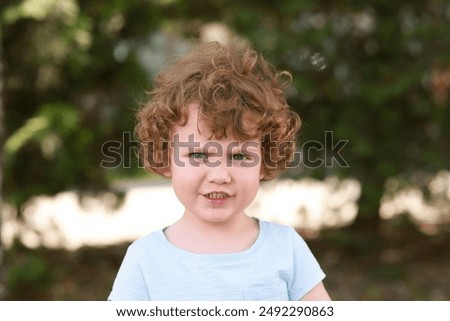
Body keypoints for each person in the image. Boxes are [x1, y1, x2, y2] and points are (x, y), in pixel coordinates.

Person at [108, 41, 331, 301]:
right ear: (165, 157)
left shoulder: (286, 249)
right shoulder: (145, 260)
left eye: (239, 156)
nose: (219, 175)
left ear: (264, 160)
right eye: (198, 154)